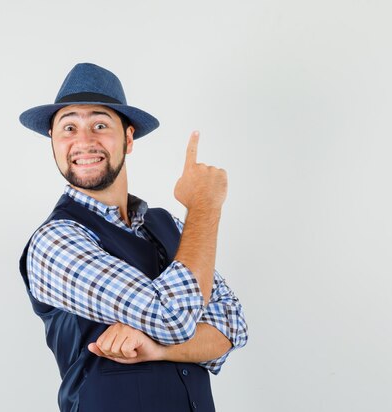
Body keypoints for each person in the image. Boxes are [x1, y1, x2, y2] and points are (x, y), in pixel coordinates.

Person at [18, 63, 248, 412]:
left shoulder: (166, 224)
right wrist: (204, 205)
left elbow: (232, 325)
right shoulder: (55, 242)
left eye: (99, 125)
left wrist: (158, 349)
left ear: (128, 138)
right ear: (53, 140)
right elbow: (173, 317)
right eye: (68, 128)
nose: (84, 141)